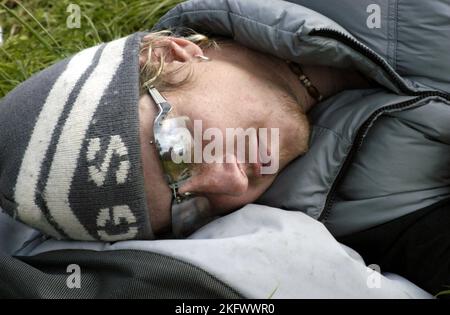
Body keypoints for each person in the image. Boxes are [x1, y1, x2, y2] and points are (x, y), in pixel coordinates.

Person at [0, 29, 371, 241]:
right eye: (190, 208)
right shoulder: (351, 226)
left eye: (178, 151)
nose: (232, 183)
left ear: (171, 54)